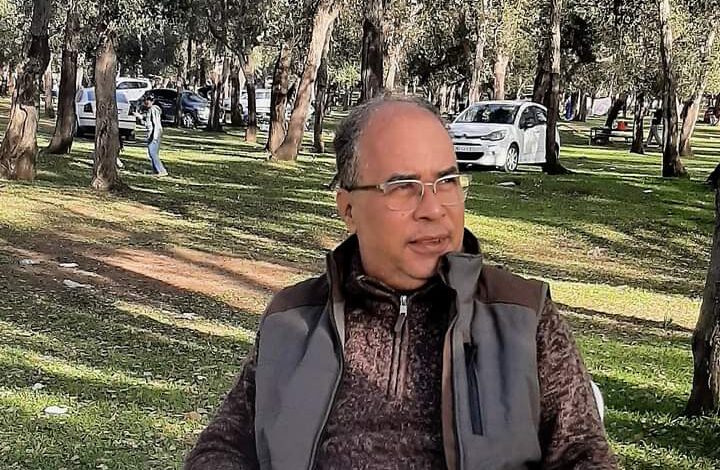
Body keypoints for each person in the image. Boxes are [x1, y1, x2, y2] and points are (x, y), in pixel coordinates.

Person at [184, 95, 617, 470]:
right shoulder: (293, 320)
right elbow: (224, 446)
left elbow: (583, 453)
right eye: (404, 187)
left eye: (447, 181)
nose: (434, 209)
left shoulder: (522, 315)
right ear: (348, 208)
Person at [143, 94, 167, 176]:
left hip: (155, 133)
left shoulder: (153, 109)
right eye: (145, 101)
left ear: (152, 101)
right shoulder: (150, 110)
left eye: (148, 101)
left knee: (152, 152)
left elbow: (156, 123)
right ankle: (156, 170)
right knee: (152, 152)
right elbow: (148, 122)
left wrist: (155, 136)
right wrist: (140, 117)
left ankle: (161, 170)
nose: (146, 102)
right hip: (152, 133)